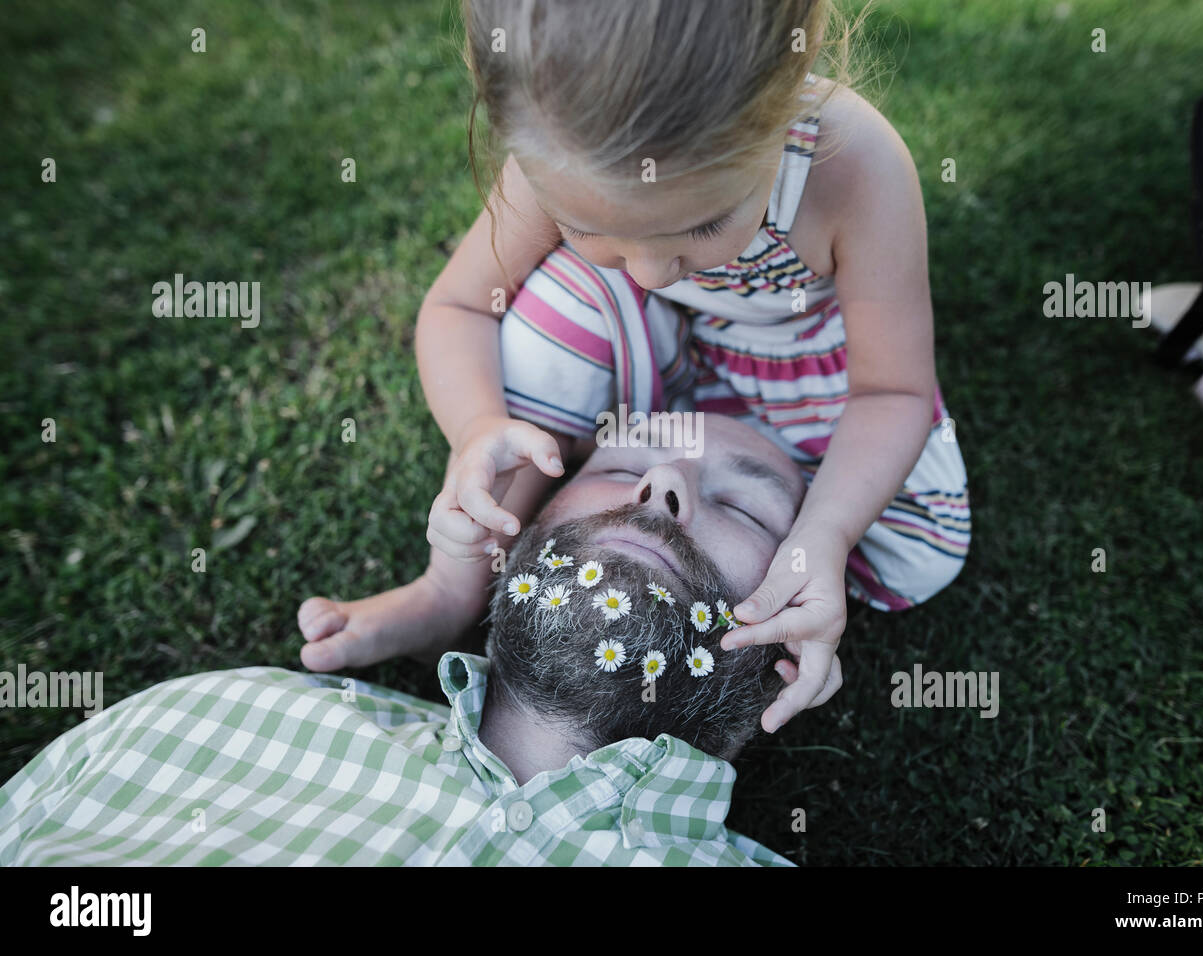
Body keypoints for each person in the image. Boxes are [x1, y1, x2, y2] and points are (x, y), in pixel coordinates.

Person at [297, 0, 971, 734]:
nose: (649, 271)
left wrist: (830, 532)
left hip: (814, 386)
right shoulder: (551, 139)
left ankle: (731, 513)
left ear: (785, 99)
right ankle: (449, 593)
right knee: (557, 309)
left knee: (921, 552)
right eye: (590, 226)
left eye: (705, 223)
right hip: (663, 357)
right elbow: (460, 308)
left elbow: (891, 390)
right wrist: (477, 428)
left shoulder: (850, 165)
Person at [0, 415, 828, 866]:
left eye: (748, 509)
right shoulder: (200, 724)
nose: (667, 482)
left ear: (790, 659)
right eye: (619, 463)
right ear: (518, 536)